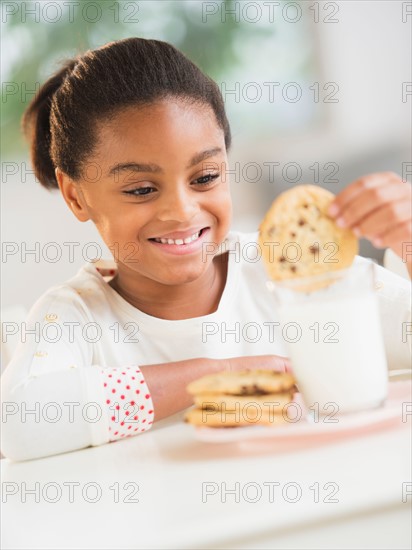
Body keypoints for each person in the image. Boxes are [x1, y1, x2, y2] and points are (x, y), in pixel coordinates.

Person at [1, 38, 410, 461]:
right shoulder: (75, 316)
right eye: (141, 189)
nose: (181, 211)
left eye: (205, 177)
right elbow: (17, 425)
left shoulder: (293, 272)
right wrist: (220, 374)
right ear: (75, 197)